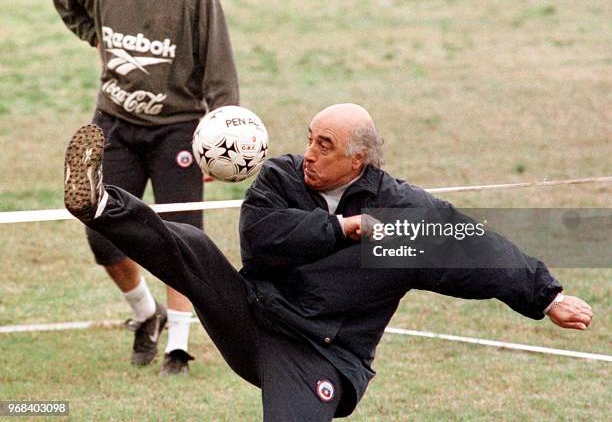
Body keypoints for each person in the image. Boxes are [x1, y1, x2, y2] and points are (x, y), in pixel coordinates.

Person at [62, 103, 593, 420]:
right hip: (254, 317)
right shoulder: (283, 178)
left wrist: (546, 296)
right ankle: (100, 202)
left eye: (325, 144)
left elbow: (478, 249)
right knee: (194, 248)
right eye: (309, 138)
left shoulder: (404, 213)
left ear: (357, 159)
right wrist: (343, 229)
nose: (308, 152)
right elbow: (263, 242)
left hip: (323, 355)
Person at [52, 0, 239, 375]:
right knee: (100, 232)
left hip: (177, 128)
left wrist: (221, 142)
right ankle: (145, 314)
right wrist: (94, 35)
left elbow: (219, 67)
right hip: (113, 123)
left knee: (181, 238)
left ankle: (178, 345)